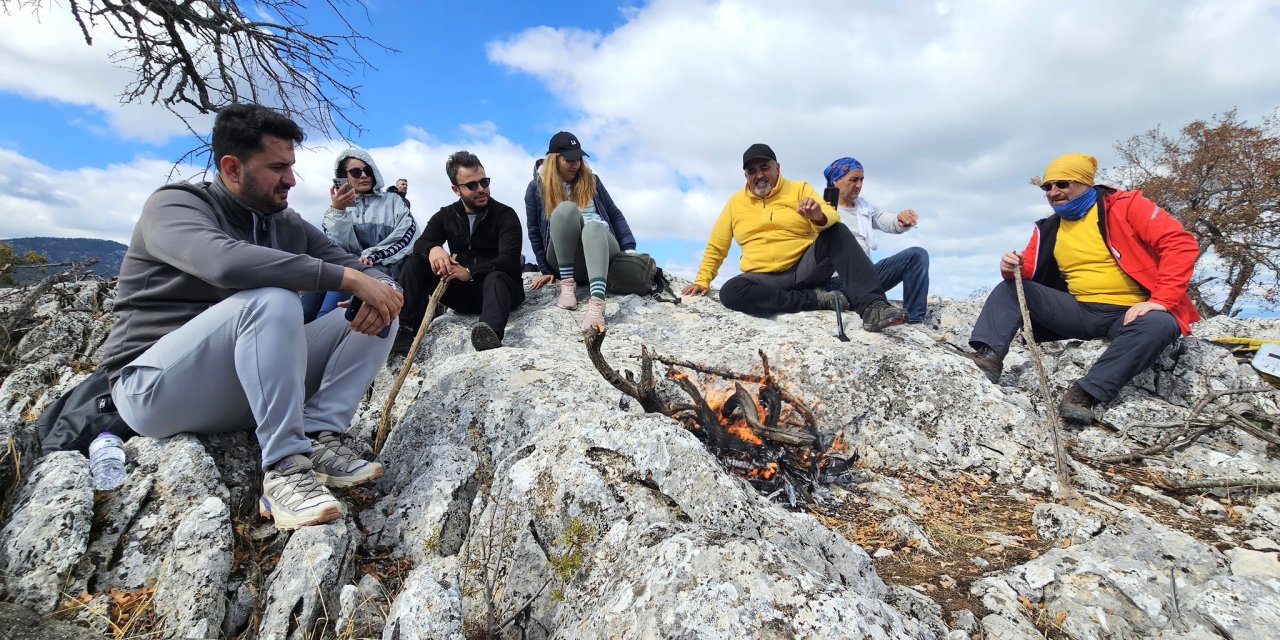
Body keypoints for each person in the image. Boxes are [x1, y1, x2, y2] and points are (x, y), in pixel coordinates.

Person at [97, 104, 403, 530]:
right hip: (153, 389)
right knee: (273, 300)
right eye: (278, 167)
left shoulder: (284, 221)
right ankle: (283, 469)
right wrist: (347, 278)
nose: (291, 179)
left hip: (240, 390)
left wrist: (382, 287)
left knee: (383, 306)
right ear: (232, 167)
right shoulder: (174, 206)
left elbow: (350, 262)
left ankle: (316, 435)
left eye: (292, 167)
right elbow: (221, 262)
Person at [963, 153, 1199, 424]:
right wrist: (1010, 266)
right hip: (1077, 310)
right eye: (1047, 187)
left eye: (1062, 184)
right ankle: (988, 358)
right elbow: (1024, 271)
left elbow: (1180, 243)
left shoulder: (1127, 205)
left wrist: (1161, 300)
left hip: (1128, 313)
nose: (1054, 192)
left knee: (1160, 324)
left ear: (1085, 182)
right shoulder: (1049, 227)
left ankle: (1085, 393)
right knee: (1010, 289)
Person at [681, 144, 907, 331]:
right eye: (752, 171)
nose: (759, 175)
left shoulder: (799, 189)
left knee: (836, 230)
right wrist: (702, 280)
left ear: (777, 168)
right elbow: (717, 245)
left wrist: (818, 216)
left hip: (803, 269)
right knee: (731, 292)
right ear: (746, 175)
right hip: (762, 276)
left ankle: (873, 307)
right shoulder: (735, 203)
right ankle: (816, 300)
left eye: (764, 167)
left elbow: (831, 214)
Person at [395, 151, 525, 353]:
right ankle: (404, 329)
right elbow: (421, 243)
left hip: (499, 292)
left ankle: (489, 332)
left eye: (485, 182)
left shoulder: (505, 214)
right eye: (472, 185)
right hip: (462, 295)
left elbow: (509, 259)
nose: (481, 189)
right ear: (456, 189)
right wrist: (433, 249)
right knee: (413, 262)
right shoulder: (446, 215)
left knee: (496, 275)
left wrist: (470, 272)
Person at [525, 131, 637, 329]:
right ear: (554, 160)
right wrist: (544, 268)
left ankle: (597, 303)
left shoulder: (592, 181)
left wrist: (629, 249)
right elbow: (533, 230)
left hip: (599, 251)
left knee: (593, 226)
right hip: (563, 259)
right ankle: (567, 286)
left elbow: (614, 214)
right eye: (569, 159)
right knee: (565, 210)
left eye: (578, 158)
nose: (575, 164)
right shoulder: (536, 188)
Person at [305, 149, 418, 320]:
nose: (364, 175)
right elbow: (332, 246)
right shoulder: (336, 209)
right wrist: (338, 211)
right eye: (356, 172)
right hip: (347, 266)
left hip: (384, 268)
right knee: (307, 307)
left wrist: (373, 255)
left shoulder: (393, 200)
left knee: (331, 309)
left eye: (368, 170)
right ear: (345, 177)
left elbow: (408, 234)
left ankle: (325, 324)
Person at [822, 157, 930, 324]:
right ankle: (849, 299)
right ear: (836, 181)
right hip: (836, 281)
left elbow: (887, 220)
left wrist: (901, 219)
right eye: (853, 179)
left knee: (917, 255)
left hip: (866, 278)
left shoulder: (864, 208)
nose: (859, 185)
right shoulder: (821, 210)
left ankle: (915, 320)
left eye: (861, 179)